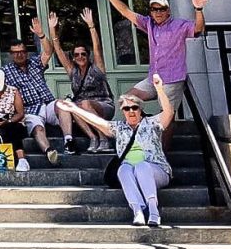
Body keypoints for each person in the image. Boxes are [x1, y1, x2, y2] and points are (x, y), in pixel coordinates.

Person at [96, 0, 207, 148]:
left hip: (172, 78)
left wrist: (198, 9)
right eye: (154, 9)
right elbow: (125, 11)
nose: (158, 12)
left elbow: (198, 30)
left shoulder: (179, 25)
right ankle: (144, 126)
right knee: (128, 98)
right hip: (153, 78)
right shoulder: (149, 24)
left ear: (168, 10)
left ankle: (163, 154)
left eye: (161, 9)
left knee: (168, 117)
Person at [58, 76, 176, 227]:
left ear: (140, 110)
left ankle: (153, 211)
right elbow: (97, 121)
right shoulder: (119, 128)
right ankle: (137, 210)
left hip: (156, 170)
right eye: (127, 109)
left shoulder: (151, 123)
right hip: (130, 171)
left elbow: (168, 112)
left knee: (141, 166)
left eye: (134, 108)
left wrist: (159, 89)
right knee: (124, 169)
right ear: (123, 111)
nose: (131, 111)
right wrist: (74, 109)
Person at [47, 8, 115, 152]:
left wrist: (91, 26)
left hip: (103, 106)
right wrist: (53, 30)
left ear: (87, 55)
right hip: (83, 109)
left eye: (83, 54)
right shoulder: (73, 72)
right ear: (73, 57)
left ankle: (103, 138)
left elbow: (97, 47)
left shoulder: (96, 69)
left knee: (83, 103)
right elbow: (58, 51)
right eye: (76, 54)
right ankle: (93, 137)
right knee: (71, 105)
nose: (80, 57)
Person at [2, 21, 61, 165]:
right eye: (15, 53)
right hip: (29, 110)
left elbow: (48, 52)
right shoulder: (5, 72)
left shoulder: (35, 63)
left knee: (63, 105)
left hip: (47, 104)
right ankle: (49, 152)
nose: (19, 55)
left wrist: (41, 35)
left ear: (26, 53)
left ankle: (69, 141)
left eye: (22, 52)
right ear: (10, 55)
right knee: (37, 128)